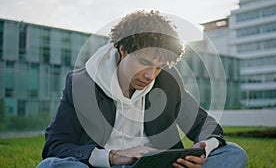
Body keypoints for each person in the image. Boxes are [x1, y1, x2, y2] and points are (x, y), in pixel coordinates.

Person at [37, 10, 247, 168]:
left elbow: (206, 125)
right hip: (109, 166)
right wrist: (113, 156)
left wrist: (203, 149)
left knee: (234, 153)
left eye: (159, 67)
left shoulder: (168, 81)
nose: (151, 75)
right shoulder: (81, 84)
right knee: (50, 166)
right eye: (145, 62)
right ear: (124, 49)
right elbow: (55, 146)